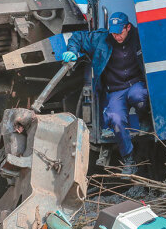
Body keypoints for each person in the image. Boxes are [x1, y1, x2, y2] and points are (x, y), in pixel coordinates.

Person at [62, 12, 148, 173]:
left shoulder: (140, 35)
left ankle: (145, 118)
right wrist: (72, 50)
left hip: (136, 84)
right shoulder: (101, 38)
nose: (116, 37)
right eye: (113, 33)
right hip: (116, 90)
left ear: (128, 27)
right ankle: (129, 159)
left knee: (139, 97)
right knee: (115, 119)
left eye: (119, 32)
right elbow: (78, 37)